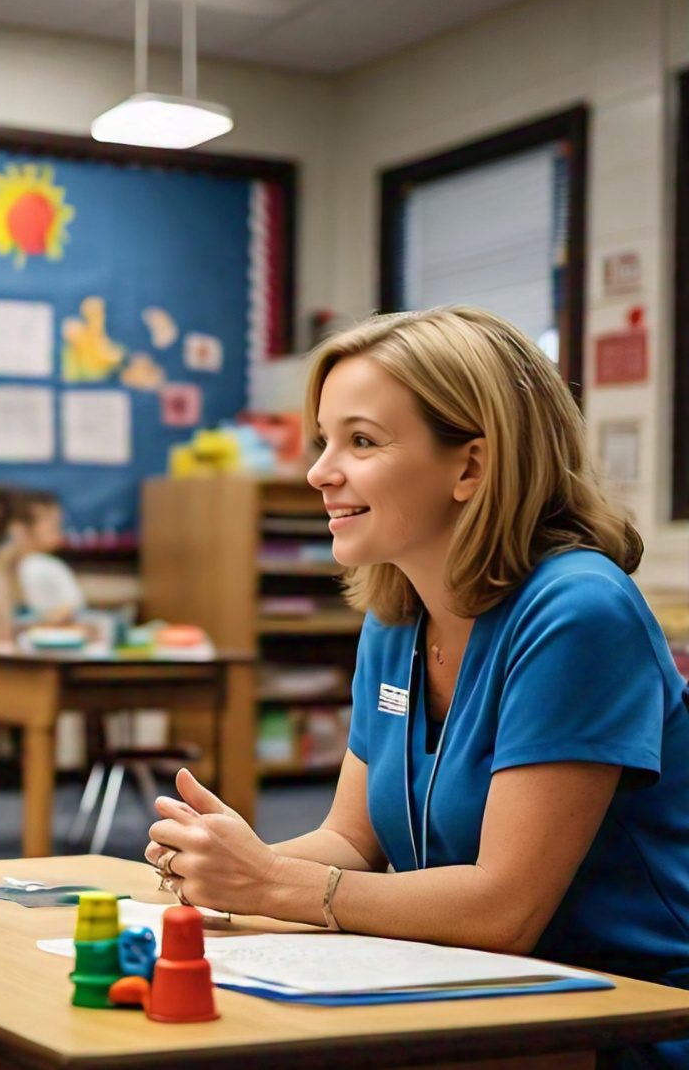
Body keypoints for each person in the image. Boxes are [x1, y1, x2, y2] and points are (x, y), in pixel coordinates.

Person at [145, 306, 689, 1067]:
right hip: (477, 986)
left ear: (471, 465)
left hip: (629, 1016)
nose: (318, 472)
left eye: (360, 441)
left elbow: (504, 909)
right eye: (324, 439)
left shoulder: (579, 610)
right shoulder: (399, 612)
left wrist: (269, 881)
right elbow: (353, 840)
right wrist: (223, 868)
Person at [0, 486, 85, 641]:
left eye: (58, 526)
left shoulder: (28, 568)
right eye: (52, 526)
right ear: (18, 530)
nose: (59, 535)